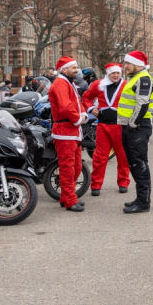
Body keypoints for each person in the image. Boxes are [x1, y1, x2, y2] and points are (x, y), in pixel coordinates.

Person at [82, 63, 130, 196]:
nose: (115, 75)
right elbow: (86, 97)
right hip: (103, 125)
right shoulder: (99, 84)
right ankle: (96, 185)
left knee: (123, 156)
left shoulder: (126, 85)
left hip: (120, 125)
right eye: (113, 73)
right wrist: (91, 109)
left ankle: (123, 182)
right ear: (108, 74)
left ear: (120, 74)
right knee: (99, 157)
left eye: (117, 73)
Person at [48, 56, 88, 212]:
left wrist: (82, 115)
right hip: (65, 131)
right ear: (64, 69)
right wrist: (79, 118)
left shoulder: (67, 83)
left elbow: (78, 103)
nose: (77, 70)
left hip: (72, 131)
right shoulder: (60, 84)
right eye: (74, 67)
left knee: (76, 166)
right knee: (67, 168)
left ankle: (67, 197)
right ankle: (70, 201)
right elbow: (66, 107)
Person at [118, 50, 153, 214]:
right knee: (134, 164)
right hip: (131, 128)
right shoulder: (135, 78)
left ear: (136, 63)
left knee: (140, 164)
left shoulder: (144, 79)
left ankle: (143, 202)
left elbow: (142, 104)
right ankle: (140, 198)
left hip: (137, 128)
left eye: (127, 63)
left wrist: (132, 125)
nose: (125, 66)